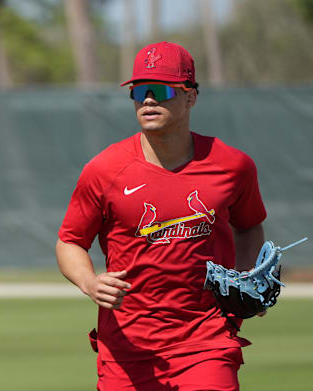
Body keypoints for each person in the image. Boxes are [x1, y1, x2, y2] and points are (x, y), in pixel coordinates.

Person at [56, 41, 266, 390]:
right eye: (139, 91)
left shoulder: (233, 166)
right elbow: (69, 241)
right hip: (127, 348)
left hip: (206, 339)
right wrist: (90, 282)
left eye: (162, 89)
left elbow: (248, 227)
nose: (148, 99)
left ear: (190, 97)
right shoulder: (105, 170)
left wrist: (246, 277)